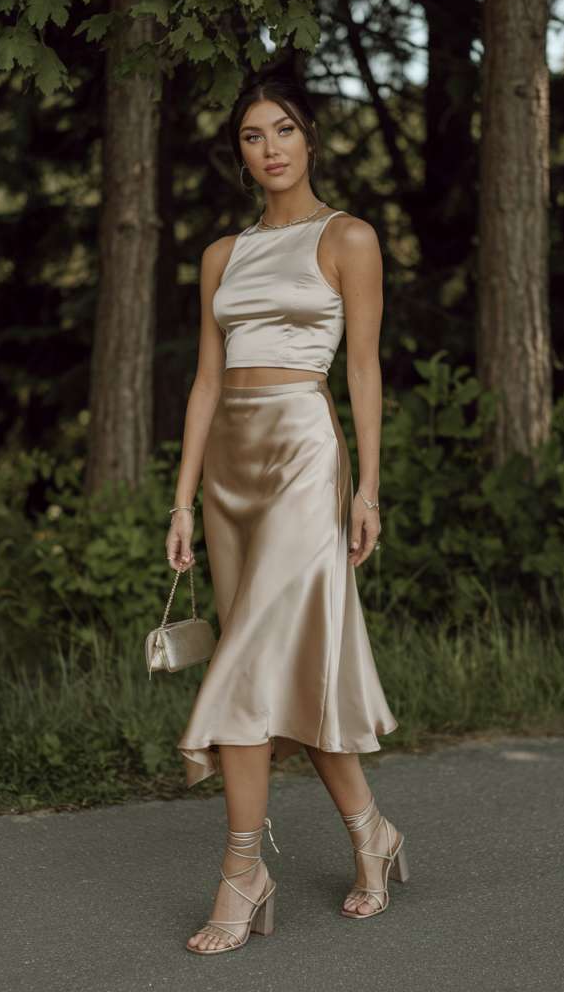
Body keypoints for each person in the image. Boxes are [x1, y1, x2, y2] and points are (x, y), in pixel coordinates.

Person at [166, 77, 408, 956]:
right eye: (252, 135)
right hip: (229, 468)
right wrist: (183, 499)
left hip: (306, 453)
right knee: (279, 670)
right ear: (240, 153)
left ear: (310, 139)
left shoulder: (348, 237)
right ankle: (372, 833)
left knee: (243, 663)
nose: (270, 147)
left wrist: (367, 488)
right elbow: (203, 379)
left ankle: (242, 872)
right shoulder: (221, 256)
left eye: (285, 130)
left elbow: (366, 372)